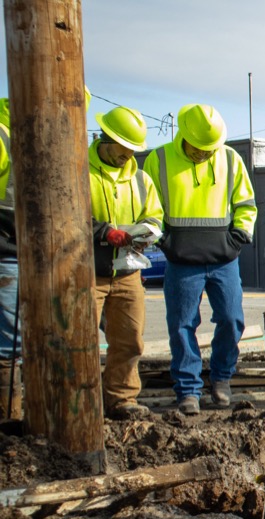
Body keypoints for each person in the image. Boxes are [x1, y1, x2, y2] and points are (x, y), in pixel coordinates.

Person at [143, 104, 256, 416]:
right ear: (184, 137)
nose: (205, 155)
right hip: (181, 260)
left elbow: (246, 204)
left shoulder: (230, 159)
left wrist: (238, 238)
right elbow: (150, 207)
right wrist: (164, 241)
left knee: (232, 320)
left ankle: (221, 379)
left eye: (210, 150)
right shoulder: (160, 160)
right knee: (181, 325)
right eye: (199, 149)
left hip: (223, 259)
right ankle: (188, 390)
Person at [88, 107, 164, 419]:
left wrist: (147, 233)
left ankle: (121, 399)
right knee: (81, 341)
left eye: (133, 149)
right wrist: (105, 231)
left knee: (129, 339)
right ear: (107, 139)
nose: (129, 154)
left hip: (127, 270)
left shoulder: (141, 178)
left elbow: (154, 214)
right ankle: (84, 404)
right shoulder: (79, 171)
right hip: (87, 270)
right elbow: (66, 213)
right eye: (125, 148)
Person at [0, 97, 19, 418]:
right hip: (9, 251)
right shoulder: (6, 137)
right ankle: (9, 417)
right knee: (10, 344)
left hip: (30, 254)